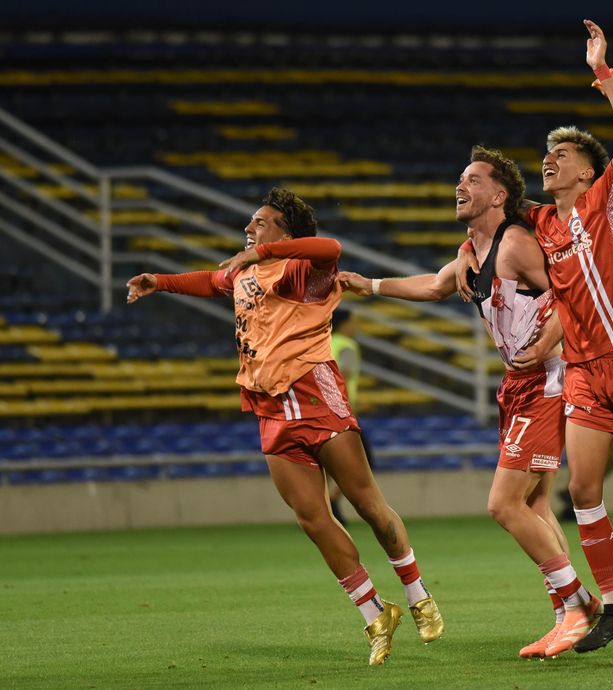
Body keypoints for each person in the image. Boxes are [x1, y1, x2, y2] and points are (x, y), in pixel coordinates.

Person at [459, 21, 613, 659]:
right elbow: (492, 227)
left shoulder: (611, 197)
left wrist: (602, 71)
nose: (550, 161)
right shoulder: (539, 223)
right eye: (547, 156)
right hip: (585, 370)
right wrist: (467, 257)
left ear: (589, 170)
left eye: (562, 156)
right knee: (584, 491)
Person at [125, 187, 443, 666]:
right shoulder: (246, 274)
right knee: (313, 519)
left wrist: (264, 250)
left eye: (261, 221)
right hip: (269, 406)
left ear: (285, 232)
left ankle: (418, 595)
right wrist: (160, 281)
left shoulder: (301, 271)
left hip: (314, 394)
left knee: (367, 503)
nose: (250, 228)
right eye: (251, 224)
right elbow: (211, 279)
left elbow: (331, 248)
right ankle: (376, 614)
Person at [339, 145, 599, 659]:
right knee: (534, 504)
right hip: (519, 383)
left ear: (499, 194)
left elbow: (577, 296)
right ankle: (570, 611)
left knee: (503, 504)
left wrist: (546, 346)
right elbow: (435, 286)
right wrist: (368, 285)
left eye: (473, 180)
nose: (461, 186)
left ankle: (577, 605)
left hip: (546, 379)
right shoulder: (472, 252)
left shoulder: (515, 245)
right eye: (460, 178)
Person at [327, 308, 373, 526]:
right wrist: (348, 407)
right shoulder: (347, 346)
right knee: (366, 461)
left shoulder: (324, 342)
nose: (355, 327)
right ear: (343, 324)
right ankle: (330, 501)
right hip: (342, 413)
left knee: (326, 462)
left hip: (322, 412)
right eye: (353, 322)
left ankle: (324, 507)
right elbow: (342, 376)